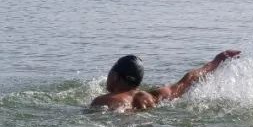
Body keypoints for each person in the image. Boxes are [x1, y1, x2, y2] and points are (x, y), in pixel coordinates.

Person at [90, 50, 241, 112]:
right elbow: (189, 79)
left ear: (116, 76)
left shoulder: (102, 101)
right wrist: (218, 60)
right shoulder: (154, 96)